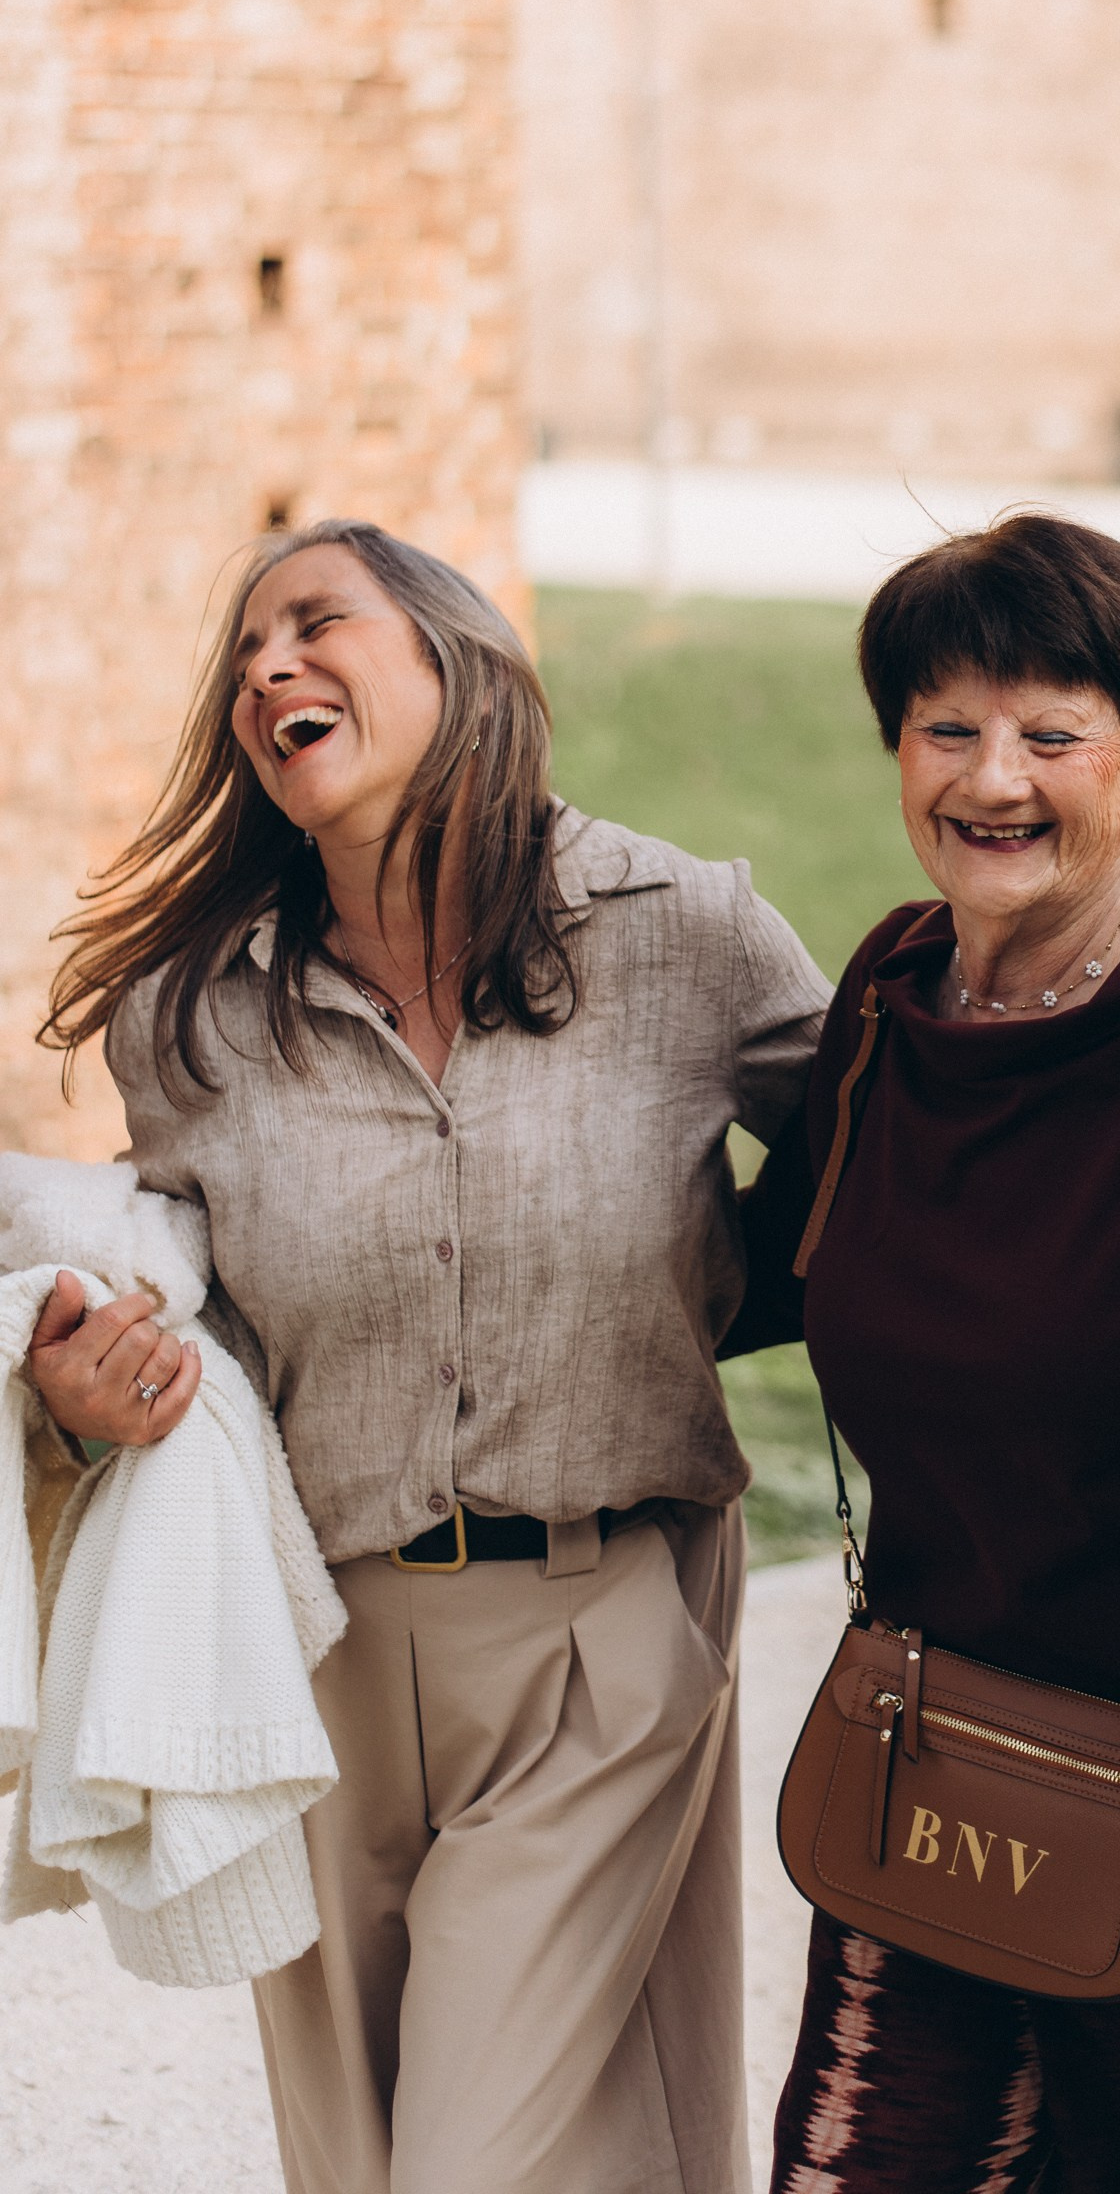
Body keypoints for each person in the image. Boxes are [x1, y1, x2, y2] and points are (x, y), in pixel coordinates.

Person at [29, 519, 828, 2194]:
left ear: (454, 659)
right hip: (303, 1639)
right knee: (366, 2158)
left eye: (316, 625)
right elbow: (204, 1331)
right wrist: (80, 1404)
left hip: (594, 1631)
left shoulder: (685, 934)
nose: (266, 672)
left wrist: (699, 1297)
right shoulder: (189, 1021)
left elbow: (882, 1185)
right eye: (246, 656)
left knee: (477, 2164)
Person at [729, 510, 1120, 2194]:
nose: (990, 777)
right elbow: (763, 1265)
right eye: (946, 726)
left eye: (1051, 731)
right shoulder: (892, 994)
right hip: (935, 1750)